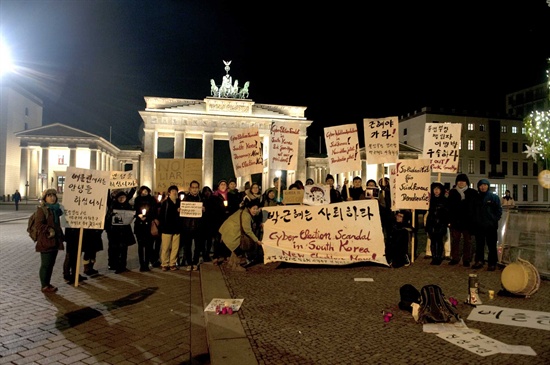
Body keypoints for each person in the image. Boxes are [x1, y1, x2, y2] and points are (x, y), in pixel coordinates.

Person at [219, 198, 263, 272]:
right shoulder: (246, 216)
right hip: (232, 232)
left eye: (257, 209)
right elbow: (248, 230)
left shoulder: (244, 211)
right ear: (249, 208)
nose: (255, 211)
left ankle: (231, 263)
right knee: (239, 249)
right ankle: (236, 265)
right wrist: (256, 240)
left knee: (235, 248)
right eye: (254, 209)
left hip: (229, 231)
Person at [35, 189, 65, 293]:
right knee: (46, 264)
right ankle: (44, 285)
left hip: (54, 240)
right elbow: (38, 224)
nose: (52, 197)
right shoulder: (42, 209)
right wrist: (49, 229)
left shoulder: (56, 209)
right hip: (46, 240)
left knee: (51, 264)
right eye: (49, 196)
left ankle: (47, 283)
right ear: (45, 198)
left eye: (53, 195)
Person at [472, 179, 502, 271]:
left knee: (491, 245)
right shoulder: (476, 197)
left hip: (490, 226)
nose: (483, 187)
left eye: (485, 185)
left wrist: (494, 220)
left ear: (488, 186)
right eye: (481, 185)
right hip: (479, 225)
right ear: (478, 187)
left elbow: (499, 210)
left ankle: (492, 263)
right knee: (479, 245)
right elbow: (473, 211)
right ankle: (479, 261)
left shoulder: (493, 197)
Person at [447, 173, 477, 267]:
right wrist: (450, 220)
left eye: (463, 181)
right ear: (456, 182)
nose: (461, 183)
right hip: (456, 221)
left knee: (467, 241)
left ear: (466, 182)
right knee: (455, 240)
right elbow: (449, 207)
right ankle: (455, 258)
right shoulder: (452, 192)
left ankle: (466, 259)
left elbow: (475, 207)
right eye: (459, 181)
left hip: (468, 221)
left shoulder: (472, 192)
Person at [105, 190, 136, 274]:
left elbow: (132, 213)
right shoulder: (112, 205)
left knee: (123, 249)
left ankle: (122, 266)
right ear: (117, 198)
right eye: (120, 197)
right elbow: (107, 198)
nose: (122, 199)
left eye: (124, 197)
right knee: (114, 249)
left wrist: (133, 188)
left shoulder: (127, 206)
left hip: (124, 231)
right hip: (114, 231)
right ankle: (114, 264)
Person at [180, 180, 204, 271]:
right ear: (190, 188)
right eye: (193, 187)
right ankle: (189, 262)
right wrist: (180, 210)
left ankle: (195, 262)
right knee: (187, 246)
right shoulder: (185, 199)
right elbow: (182, 210)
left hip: (198, 226)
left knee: (198, 246)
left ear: (198, 189)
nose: (194, 189)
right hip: (187, 226)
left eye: (196, 187)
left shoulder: (202, 198)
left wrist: (204, 209)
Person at [133, 185, 158, 272]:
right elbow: (135, 211)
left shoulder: (152, 200)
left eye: (146, 191)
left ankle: (147, 264)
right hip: (139, 226)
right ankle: (141, 264)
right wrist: (139, 216)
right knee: (140, 246)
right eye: (143, 191)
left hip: (149, 225)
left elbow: (154, 212)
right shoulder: (137, 200)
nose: (144, 192)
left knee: (148, 246)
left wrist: (147, 217)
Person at [425, 182, 450, 265]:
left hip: (441, 223)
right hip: (432, 223)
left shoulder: (445, 200)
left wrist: (445, 223)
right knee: (433, 241)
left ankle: (438, 257)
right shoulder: (430, 200)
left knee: (439, 241)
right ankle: (434, 257)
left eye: (438, 189)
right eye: (435, 189)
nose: (436, 191)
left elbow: (447, 213)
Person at [158, 185, 183, 271]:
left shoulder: (180, 202)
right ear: (169, 193)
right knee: (166, 247)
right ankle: (164, 264)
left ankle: (172, 263)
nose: (175, 192)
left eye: (176, 191)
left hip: (177, 228)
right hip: (167, 228)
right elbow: (162, 215)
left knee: (175, 247)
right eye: (173, 191)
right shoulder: (165, 203)